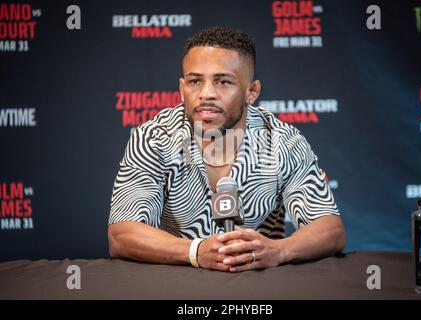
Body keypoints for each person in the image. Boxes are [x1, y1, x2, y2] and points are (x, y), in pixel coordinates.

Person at [108, 26, 345, 272]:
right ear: (181, 89)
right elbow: (122, 233)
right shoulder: (153, 138)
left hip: (259, 282)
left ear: (251, 92)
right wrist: (195, 251)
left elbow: (330, 228)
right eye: (195, 81)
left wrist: (280, 250)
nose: (206, 94)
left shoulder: (283, 141)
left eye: (223, 82)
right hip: (176, 281)